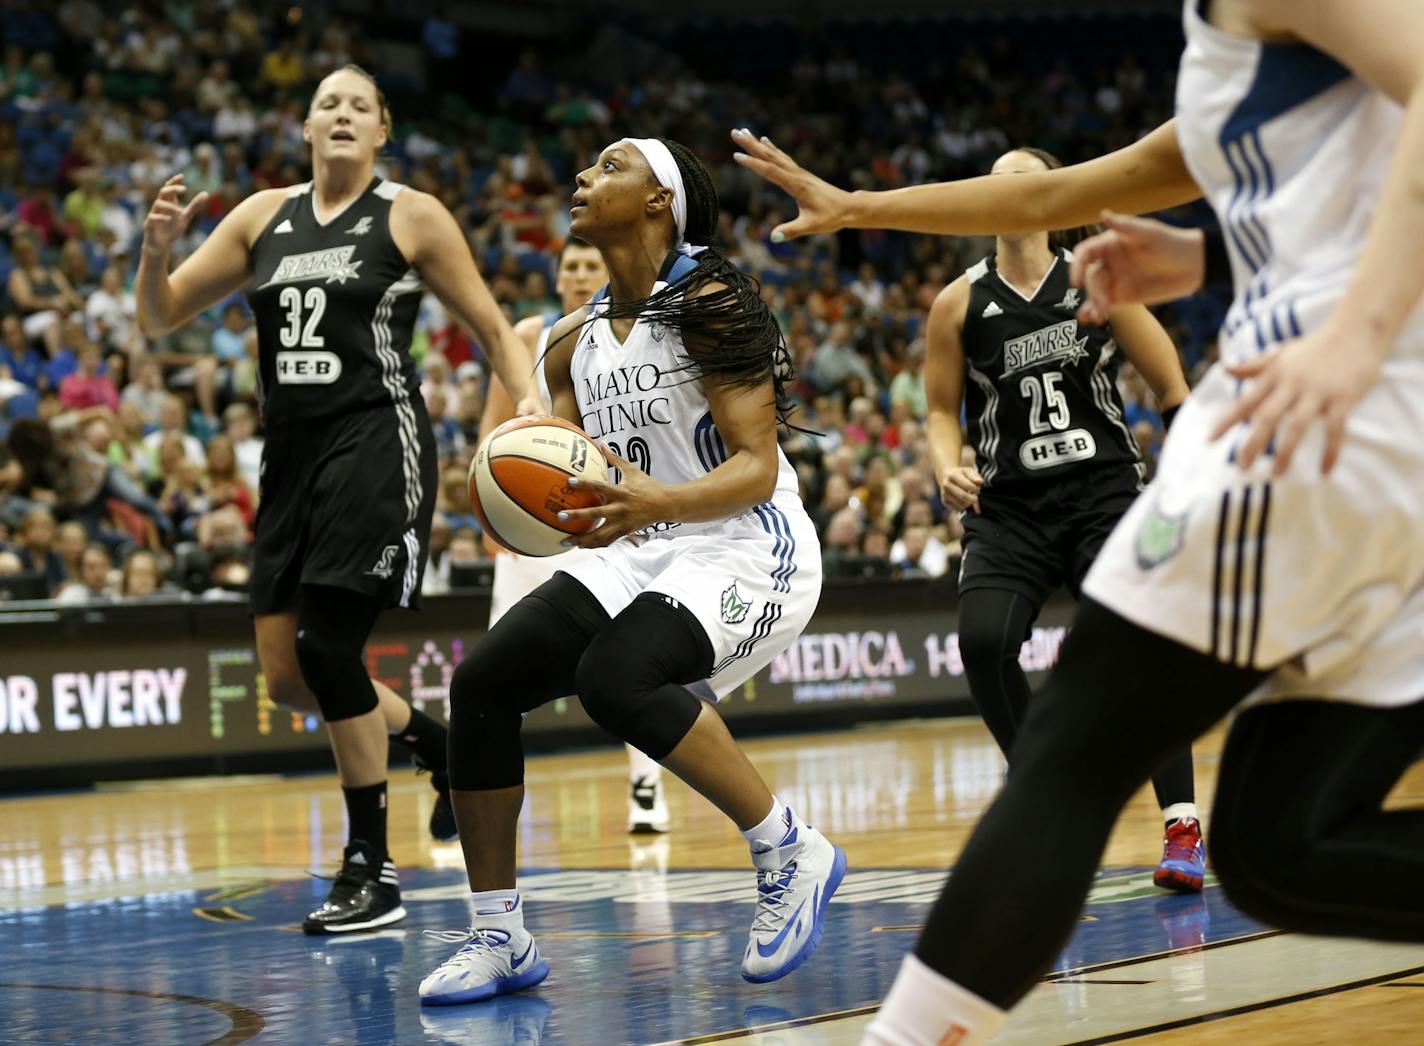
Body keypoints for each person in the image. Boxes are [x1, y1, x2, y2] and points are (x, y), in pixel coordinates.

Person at [734, 0, 1424, 1039]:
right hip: (1354, 427)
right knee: (1281, 846)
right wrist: (859, 205)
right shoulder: (1239, 45)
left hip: (1327, 417)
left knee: (1074, 748)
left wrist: (1358, 331)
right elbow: (1073, 189)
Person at [419, 138, 841, 1006]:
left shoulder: (711, 296)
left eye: (610, 167)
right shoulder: (570, 341)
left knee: (616, 677)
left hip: (747, 544)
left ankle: (788, 849)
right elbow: (571, 475)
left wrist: (656, 502)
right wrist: (521, 498)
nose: (582, 177)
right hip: (638, 544)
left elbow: (758, 466)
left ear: (662, 202)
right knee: (483, 685)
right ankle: (500, 932)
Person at [135, 64, 541, 936]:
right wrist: (155, 252)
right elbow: (159, 317)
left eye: (361, 105)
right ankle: (434, 740)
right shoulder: (259, 218)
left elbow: (492, 327)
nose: (344, 113)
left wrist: (532, 412)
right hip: (289, 460)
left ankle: (371, 867)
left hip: (376, 442)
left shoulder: (412, 214)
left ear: (382, 131)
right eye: (330, 104)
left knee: (326, 647)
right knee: (288, 678)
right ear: (308, 128)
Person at [929, 146, 1201, 890]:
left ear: (1055, 197)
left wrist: (1193, 459)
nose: (1008, 196)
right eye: (994, 186)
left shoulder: (1096, 278)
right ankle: (1044, 806)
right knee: (984, 642)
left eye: (1025, 182)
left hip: (1102, 493)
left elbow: (1169, 379)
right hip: (1010, 506)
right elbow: (936, 410)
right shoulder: (957, 302)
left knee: (1138, 649)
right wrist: (943, 462)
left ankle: (1182, 825)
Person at [477, 236, 676, 834]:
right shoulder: (533, 335)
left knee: (630, 666)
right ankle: (473, 779)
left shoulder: (640, 334)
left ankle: (646, 785)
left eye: (593, 263)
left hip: (606, 524)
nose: (583, 272)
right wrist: (493, 516)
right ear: (558, 275)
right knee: (493, 667)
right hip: (535, 525)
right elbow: (492, 432)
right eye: (573, 265)